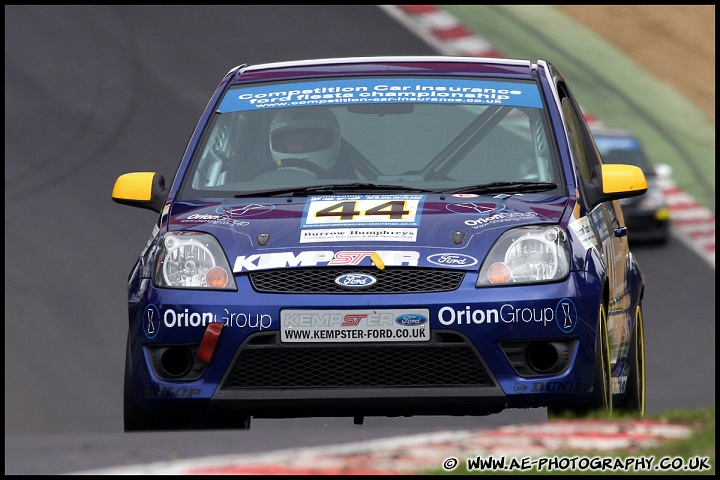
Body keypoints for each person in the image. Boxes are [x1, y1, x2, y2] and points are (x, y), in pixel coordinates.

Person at [268, 106, 341, 175]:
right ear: (281, 145)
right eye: (293, 143)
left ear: (324, 142)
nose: (300, 148)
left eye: (309, 142)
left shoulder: (348, 181)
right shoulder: (264, 182)